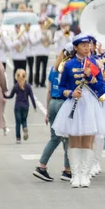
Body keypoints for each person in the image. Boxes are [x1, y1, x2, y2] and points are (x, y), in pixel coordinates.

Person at [51, 34, 105, 189]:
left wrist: (91, 77)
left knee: (87, 140)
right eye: (83, 45)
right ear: (76, 47)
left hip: (90, 104)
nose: (87, 47)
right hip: (74, 104)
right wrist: (71, 93)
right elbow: (61, 88)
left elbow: (102, 89)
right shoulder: (68, 65)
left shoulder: (94, 63)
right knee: (74, 141)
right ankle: (76, 174)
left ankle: (85, 175)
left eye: (88, 45)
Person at [33, 47, 72, 182]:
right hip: (64, 103)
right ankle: (67, 170)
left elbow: (49, 91)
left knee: (55, 138)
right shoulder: (69, 69)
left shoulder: (53, 69)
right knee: (67, 138)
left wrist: (48, 111)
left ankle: (42, 166)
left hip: (53, 103)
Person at [4, 69, 37, 144]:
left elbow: (11, 96)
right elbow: (31, 97)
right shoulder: (28, 86)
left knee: (18, 122)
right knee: (24, 120)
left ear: (16, 77)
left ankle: (18, 138)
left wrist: (4, 96)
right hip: (26, 106)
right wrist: (34, 106)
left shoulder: (16, 86)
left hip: (18, 106)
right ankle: (25, 127)